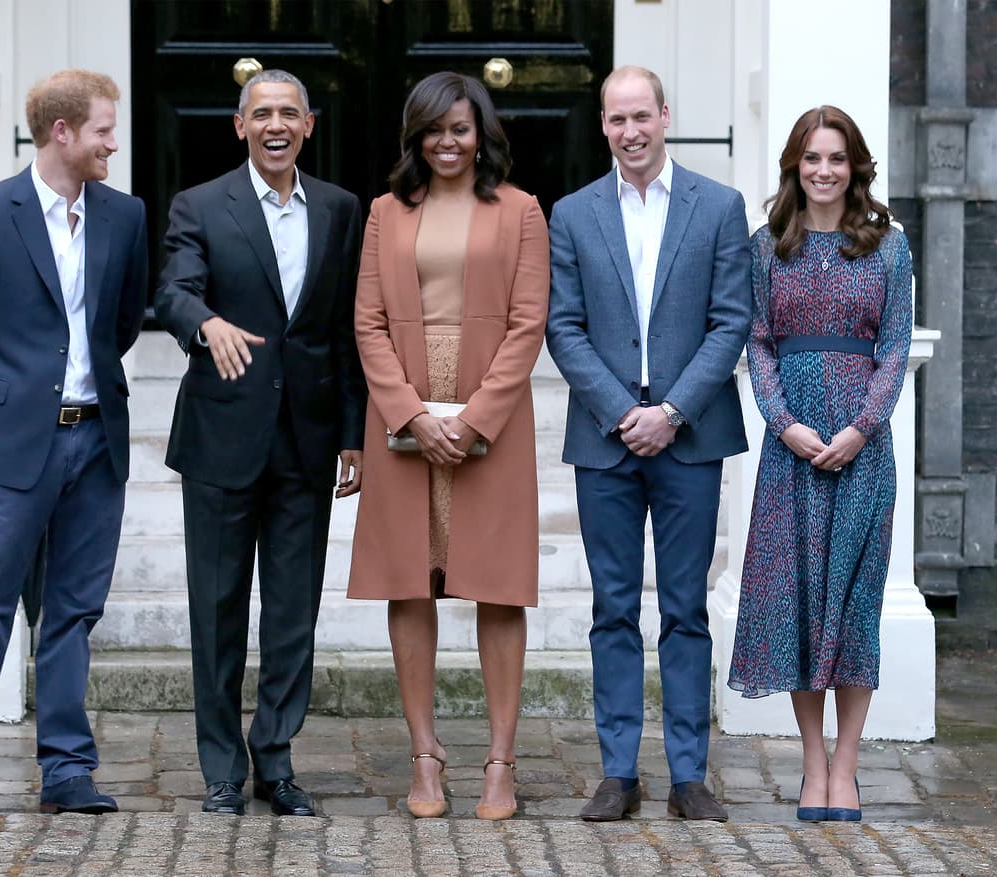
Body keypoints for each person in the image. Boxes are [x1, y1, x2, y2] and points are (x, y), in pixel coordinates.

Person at [0, 69, 148, 815]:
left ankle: (67, 770)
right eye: (103, 131)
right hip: (17, 442)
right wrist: (8, 391)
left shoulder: (126, 216)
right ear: (63, 132)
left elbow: (119, 325)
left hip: (96, 441)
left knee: (73, 612)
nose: (113, 142)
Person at [153, 69, 365, 818]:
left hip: (306, 444)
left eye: (289, 113)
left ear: (309, 124)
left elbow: (343, 329)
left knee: (291, 617)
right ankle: (220, 768)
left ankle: (275, 760)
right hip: (220, 437)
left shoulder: (342, 210)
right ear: (239, 126)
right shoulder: (200, 205)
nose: (276, 125)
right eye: (261, 113)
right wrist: (201, 323)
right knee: (216, 611)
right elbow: (173, 289)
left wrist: (352, 433)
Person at [545, 66, 751, 822]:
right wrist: (618, 410)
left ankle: (690, 772)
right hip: (604, 441)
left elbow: (731, 320)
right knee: (613, 605)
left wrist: (671, 411)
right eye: (616, 119)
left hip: (690, 440)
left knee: (687, 606)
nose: (630, 132)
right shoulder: (570, 214)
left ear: (666, 115)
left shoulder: (719, 207)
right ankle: (618, 770)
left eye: (641, 116)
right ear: (603, 126)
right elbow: (561, 326)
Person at [348, 71, 549, 821]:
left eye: (459, 128)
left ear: (481, 132)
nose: (446, 142)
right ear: (416, 136)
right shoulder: (384, 212)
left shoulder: (522, 211)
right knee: (410, 581)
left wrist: (474, 419)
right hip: (403, 415)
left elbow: (530, 323)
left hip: (488, 420)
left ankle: (501, 761)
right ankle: (425, 755)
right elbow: (367, 321)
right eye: (433, 129)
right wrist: (409, 412)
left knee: (497, 585)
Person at [728, 106, 913, 824]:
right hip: (793, 451)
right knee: (800, 605)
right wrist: (788, 424)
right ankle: (811, 763)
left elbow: (895, 345)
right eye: (812, 158)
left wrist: (862, 427)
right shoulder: (768, 244)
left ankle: (847, 764)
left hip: (864, 453)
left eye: (836, 158)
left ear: (854, 164)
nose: (824, 170)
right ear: (794, 166)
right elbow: (760, 344)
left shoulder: (888, 247)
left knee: (855, 604)